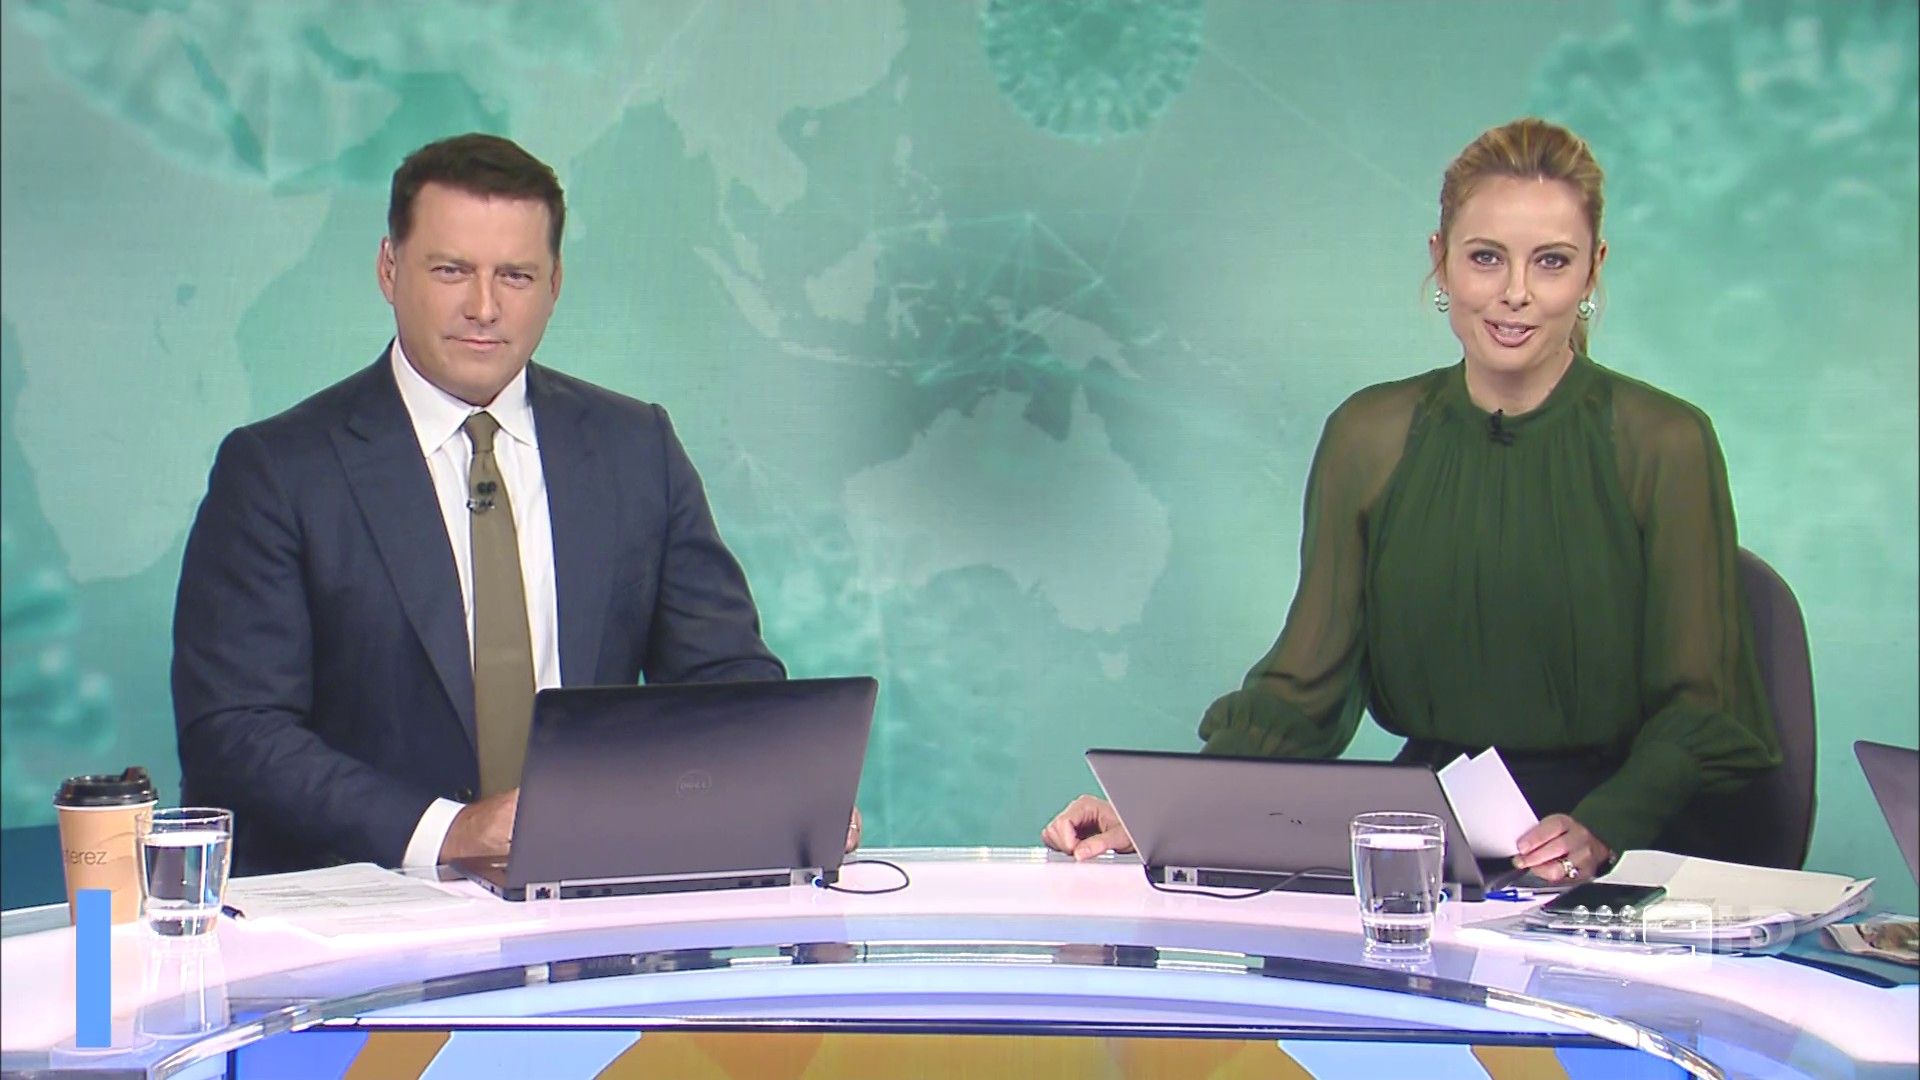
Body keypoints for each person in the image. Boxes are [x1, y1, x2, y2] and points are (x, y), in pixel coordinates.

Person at [1043, 118, 1781, 883]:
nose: (1516, 293)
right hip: (1437, 827)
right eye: (1486, 257)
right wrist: (1167, 812)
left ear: (1593, 271)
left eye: (1551, 262)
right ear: (1441, 260)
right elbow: (1305, 691)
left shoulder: (1665, 441)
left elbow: (1704, 710)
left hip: (1629, 835)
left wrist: (1604, 828)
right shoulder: (1369, 436)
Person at [173, 133, 859, 874]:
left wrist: (782, 786)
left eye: (516, 276)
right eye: (451, 270)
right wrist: (450, 832)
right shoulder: (278, 470)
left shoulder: (637, 449)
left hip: (595, 898)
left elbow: (722, 680)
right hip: (369, 905)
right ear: (389, 269)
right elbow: (235, 730)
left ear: (555, 284)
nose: (484, 307)